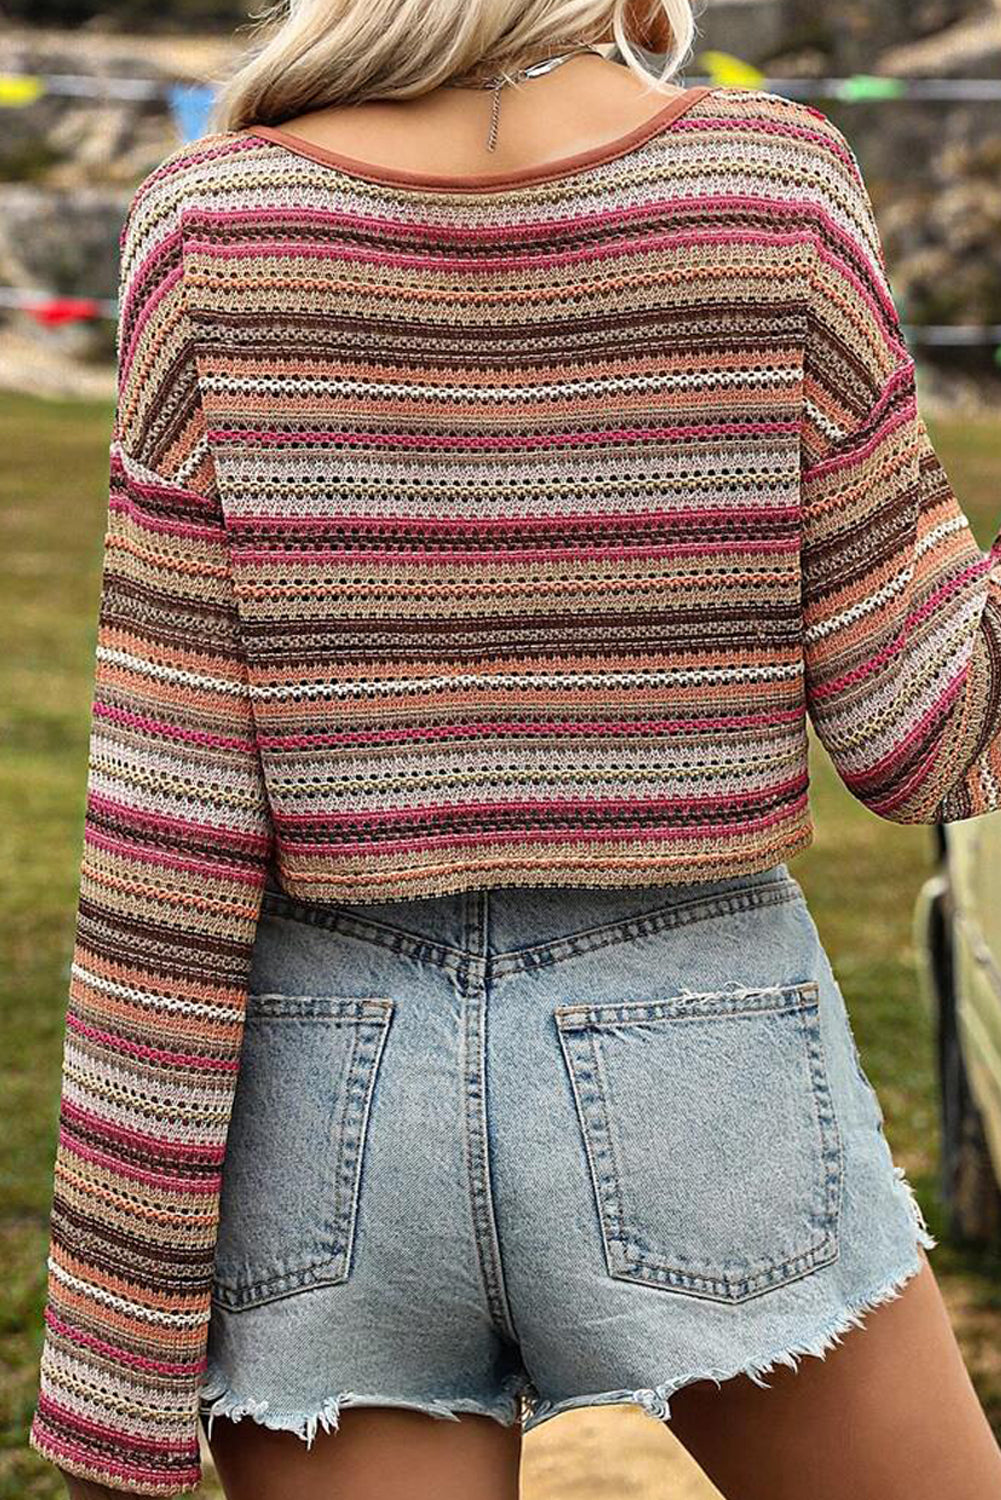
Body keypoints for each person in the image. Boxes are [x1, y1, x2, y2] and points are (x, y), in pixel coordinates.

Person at [28, 2, 1001, 1497]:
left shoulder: (210, 224)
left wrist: (113, 1348)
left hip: (323, 1082)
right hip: (698, 1049)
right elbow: (927, 736)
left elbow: (174, 814)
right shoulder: (770, 186)